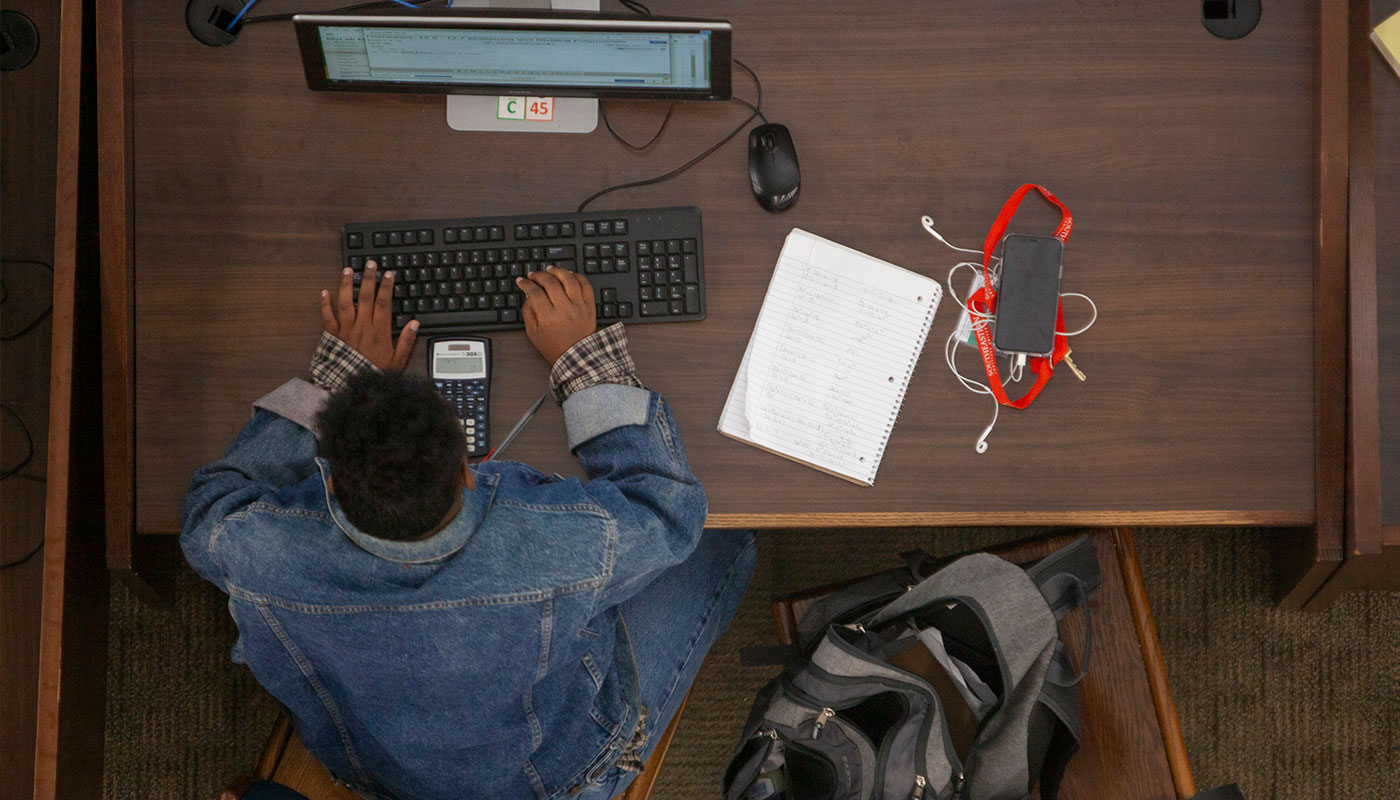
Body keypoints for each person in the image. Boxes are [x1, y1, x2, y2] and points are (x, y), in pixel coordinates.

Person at [181, 261, 756, 800]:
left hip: (384, 772)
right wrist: (585, 364)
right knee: (727, 534)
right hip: (547, 780)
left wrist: (340, 378)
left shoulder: (258, 550)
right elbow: (668, 512)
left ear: (329, 482)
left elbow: (206, 513)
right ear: (467, 471)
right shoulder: (560, 546)